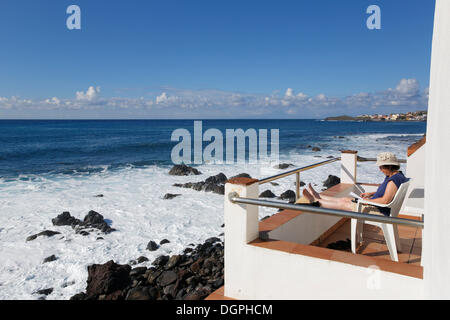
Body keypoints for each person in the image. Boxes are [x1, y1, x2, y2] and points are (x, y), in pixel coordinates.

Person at [302, 152, 409, 216]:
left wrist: (367, 201)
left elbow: (385, 200)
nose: (380, 169)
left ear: (389, 166)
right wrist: (371, 193)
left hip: (379, 210)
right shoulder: (396, 176)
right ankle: (318, 196)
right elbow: (388, 193)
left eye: (381, 167)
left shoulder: (393, 180)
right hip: (377, 205)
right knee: (344, 199)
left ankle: (316, 202)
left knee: (343, 204)